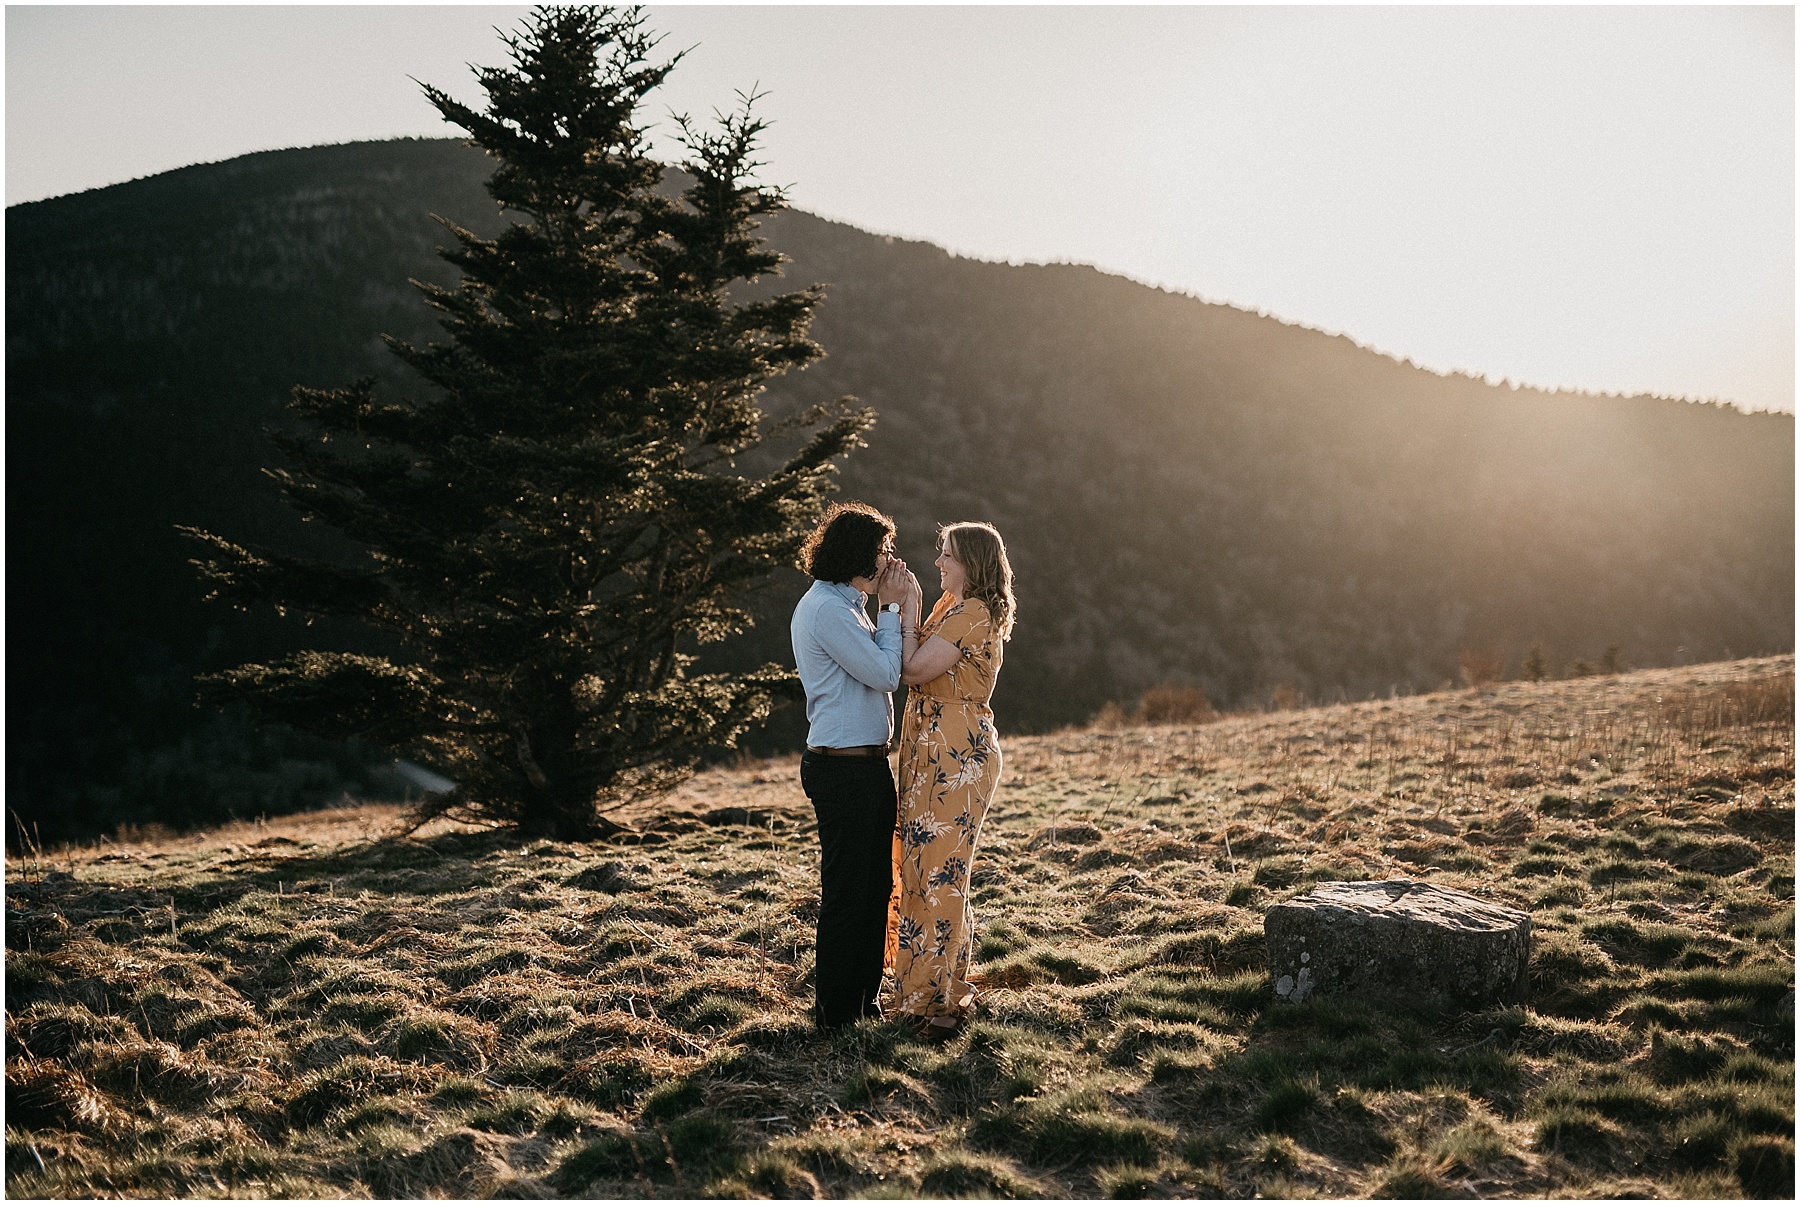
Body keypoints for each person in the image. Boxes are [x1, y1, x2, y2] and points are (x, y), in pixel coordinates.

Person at [790, 501, 920, 1029]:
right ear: (858, 556)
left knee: (873, 891)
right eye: (883, 551)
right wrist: (893, 612)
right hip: (842, 770)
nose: (890, 561)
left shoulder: (848, 604)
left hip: (865, 768)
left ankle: (862, 1004)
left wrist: (892, 610)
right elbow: (886, 674)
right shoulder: (827, 610)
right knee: (849, 892)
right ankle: (835, 1013)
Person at [889, 521, 1016, 1041]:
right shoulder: (953, 609)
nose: (938, 563)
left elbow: (914, 670)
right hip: (935, 754)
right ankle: (931, 990)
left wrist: (907, 606)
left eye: (946, 555)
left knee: (940, 875)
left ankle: (939, 1004)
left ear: (971, 563)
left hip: (956, 756)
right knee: (925, 869)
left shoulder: (972, 613)